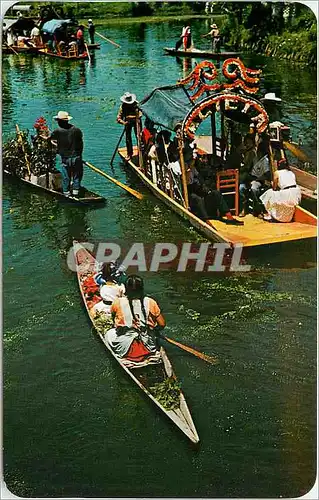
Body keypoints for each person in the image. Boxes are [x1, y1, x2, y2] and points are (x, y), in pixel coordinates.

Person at [106, 275, 165, 363]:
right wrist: (154, 330)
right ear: (141, 288)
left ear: (126, 288)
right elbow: (162, 324)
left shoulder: (117, 302)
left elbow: (114, 320)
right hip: (148, 346)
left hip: (125, 347)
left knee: (109, 333)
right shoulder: (151, 302)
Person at [49, 111, 84, 197]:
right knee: (77, 175)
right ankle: (76, 192)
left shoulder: (57, 131)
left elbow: (51, 140)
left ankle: (66, 193)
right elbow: (80, 143)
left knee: (66, 176)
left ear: (59, 122)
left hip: (65, 157)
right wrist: (79, 155)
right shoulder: (76, 130)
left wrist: (56, 146)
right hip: (76, 156)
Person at [117, 92, 139, 161]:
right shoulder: (122, 107)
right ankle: (129, 154)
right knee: (128, 138)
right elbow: (118, 119)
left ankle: (141, 153)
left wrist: (132, 117)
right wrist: (124, 122)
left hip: (137, 122)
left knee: (139, 137)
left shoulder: (136, 104)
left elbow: (140, 115)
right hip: (127, 123)